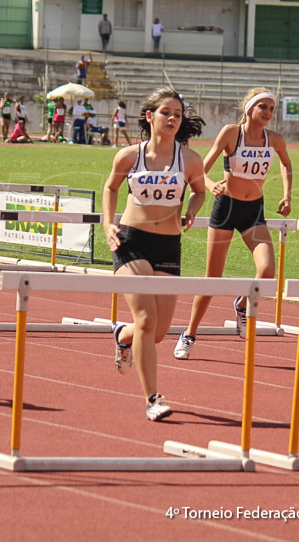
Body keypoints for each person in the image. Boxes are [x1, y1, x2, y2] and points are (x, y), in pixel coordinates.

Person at [102, 87, 206, 421]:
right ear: (150, 116)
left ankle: (122, 335)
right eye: (166, 113)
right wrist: (108, 225)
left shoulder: (190, 159)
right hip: (131, 241)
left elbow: (200, 191)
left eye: (177, 114)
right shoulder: (129, 156)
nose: (173, 119)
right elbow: (111, 187)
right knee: (146, 319)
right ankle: (152, 399)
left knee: (157, 332)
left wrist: (191, 209)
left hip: (168, 245)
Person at [174, 88, 293, 361]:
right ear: (249, 108)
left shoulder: (274, 140)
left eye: (271, 109)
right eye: (262, 106)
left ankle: (241, 302)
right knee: (212, 280)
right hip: (226, 209)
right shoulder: (231, 133)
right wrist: (211, 184)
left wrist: (287, 194)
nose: (267, 113)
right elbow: (201, 168)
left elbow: (286, 165)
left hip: (254, 211)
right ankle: (189, 334)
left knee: (267, 270)